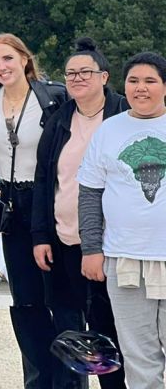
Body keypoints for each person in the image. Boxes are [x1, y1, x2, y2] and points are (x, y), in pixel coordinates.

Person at [33, 38, 127, 389]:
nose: (76, 78)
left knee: (109, 330)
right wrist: (41, 236)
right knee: (70, 331)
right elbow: (45, 180)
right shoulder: (58, 121)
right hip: (64, 239)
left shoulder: (122, 116)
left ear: (104, 76)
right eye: (71, 73)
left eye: (85, 72)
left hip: (112, 243)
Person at [0, 33, 67, 389]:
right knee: (26, 303)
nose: (1, 67)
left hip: (49, 200)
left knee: (59, 299)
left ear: (25, 59)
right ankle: (38, 380)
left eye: (8, 59)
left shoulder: (52, 98)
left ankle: (68, 380)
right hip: (11, 205)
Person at [79, 51, 166, 389]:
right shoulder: (108, 131)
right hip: (124, 259)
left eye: (150, 81)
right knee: (139, 358)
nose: (140, 88)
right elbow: (89, 194)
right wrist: (91, 249)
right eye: (133, 81)